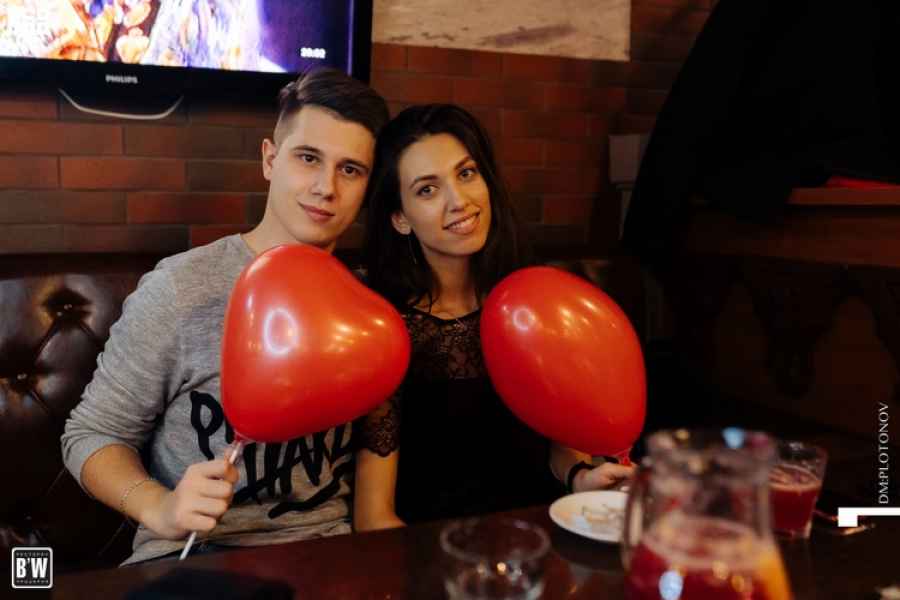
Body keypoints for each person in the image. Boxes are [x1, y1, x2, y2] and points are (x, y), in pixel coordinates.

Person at [61, 68, 389, 565]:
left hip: (326, 557)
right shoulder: (181, 287)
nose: (326, 187)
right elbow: (91, 434)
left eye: (351, 169)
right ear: (270, 160)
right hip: (194, 557)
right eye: (308, 158)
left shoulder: (366, 309)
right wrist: (160, 507)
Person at [354, 104, 633, 531]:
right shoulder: (391, 333)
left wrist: (582, 477)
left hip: (539, 539)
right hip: (441, 552)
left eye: (466, 173)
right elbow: (373, 517)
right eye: (427, 190)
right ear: (400, 218)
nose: (459, 201)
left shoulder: (534, 303)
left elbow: (561, 451)